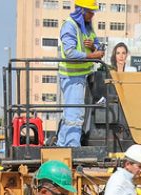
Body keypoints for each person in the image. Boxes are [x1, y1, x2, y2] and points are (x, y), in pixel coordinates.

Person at [57, 0, 104, 148]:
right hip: (72, 77)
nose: (92, 15)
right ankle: (71, 146)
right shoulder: (69, 26)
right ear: (81, 11)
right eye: (90, 12)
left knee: (74, 113)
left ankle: (62, 146)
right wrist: (92, 56)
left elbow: (98, 45)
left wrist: (94, 47)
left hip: (84, 76)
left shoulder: (87, 27)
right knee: (74, 114)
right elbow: (70, 52)